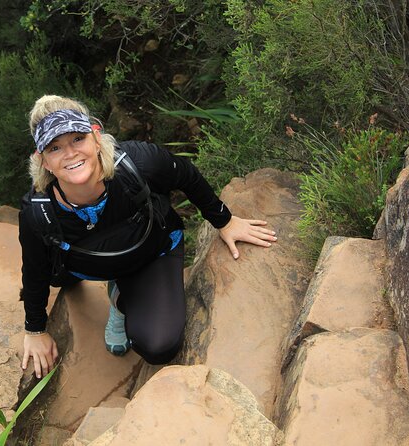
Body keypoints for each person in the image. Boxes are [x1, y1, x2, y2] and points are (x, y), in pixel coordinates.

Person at [19, 95, 277, 378]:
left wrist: (224, 221)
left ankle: (121, 300)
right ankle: (119, 286)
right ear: (42, 160)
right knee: (55, 277)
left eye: (77, 139)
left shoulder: (138, 164)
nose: (70, 154)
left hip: (151, 250)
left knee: (159, 345)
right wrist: (35, 329)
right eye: (55, 147)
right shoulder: (38, 212)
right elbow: (34, 271)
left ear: (95, 136)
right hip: (86, 261)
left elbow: (186, 175)